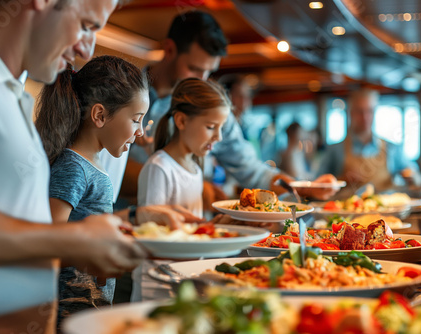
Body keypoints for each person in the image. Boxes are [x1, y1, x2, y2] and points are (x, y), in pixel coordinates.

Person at [0, 1, 195, 332]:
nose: (87, 48)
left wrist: (127, 221)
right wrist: (73, 239)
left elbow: (19, 224)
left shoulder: (3, 86)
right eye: (86, 25)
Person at [100, 10, 337, 208]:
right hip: (120, 223)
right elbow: (98, 166)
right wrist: (184, 178)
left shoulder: (209, 106)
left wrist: (299, 187)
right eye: (194, 68)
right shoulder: (120, 94)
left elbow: (250, 168)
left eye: (209, 71)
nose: (202, 80)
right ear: (169, 49)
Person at [34, 55, 151, 328]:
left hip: (91, 311)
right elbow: (48, 241)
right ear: (100, 115)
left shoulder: (94, 165)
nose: (141, 132)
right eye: (136, 120)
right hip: (68, 315)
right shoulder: (73, 167)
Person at [138, 78, 231, 217]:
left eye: (221, 128)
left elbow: (193, 228)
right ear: (181, 121)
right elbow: (150, 228)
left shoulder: (196, 169)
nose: (219, 137)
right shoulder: (159, 167)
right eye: (211, 127)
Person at [317, 88, 419, 194]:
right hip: (349, 208)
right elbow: (318, 185)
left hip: (387, 208)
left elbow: (414, 175)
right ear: (351, 113)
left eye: (369, 111)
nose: (365, 117)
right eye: (360, 112)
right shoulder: (335, 149)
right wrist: (342, 180)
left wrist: (411, 175)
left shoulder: (391, 148)